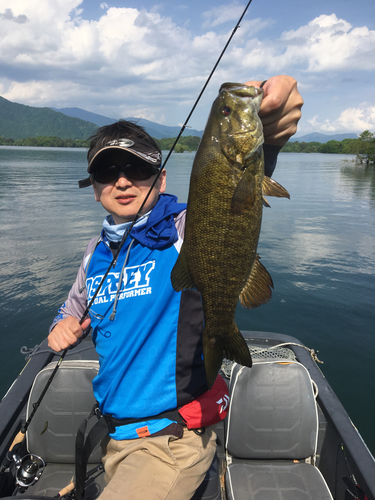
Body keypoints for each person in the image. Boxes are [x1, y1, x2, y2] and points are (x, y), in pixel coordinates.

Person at [48, 75, 303, 500]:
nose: (123, 181)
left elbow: (232, 198)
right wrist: (61, 326)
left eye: (139, 169)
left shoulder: (185, 229)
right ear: (94, 189)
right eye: (107, 172)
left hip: (172, 439)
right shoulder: (95, 254)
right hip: (115, 437)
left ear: (161, 179)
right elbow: (70, 313)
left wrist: (271, 137)